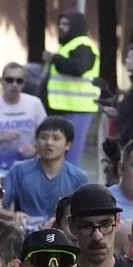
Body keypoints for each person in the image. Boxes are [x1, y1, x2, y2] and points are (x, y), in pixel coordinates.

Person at [3, 117, 90, 231]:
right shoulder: (18, 170)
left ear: (68, 144)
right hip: (24, 232)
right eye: (44, 137)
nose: (49, 143)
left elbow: (85, 214)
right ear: (36, 142)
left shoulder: (79, 178)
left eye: (56, 138)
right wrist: (13, 216)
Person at [42, 10, 100, 166]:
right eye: (60, 24)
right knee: (59, 155)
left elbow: (78, 68)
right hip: (62, 107)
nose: (61, 27)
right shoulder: (67, 46)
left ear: (76, 26)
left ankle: (72, 189)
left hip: (78, 110)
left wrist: (55, 59)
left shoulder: (83, 45)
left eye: (66, 24)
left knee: (71, 157)